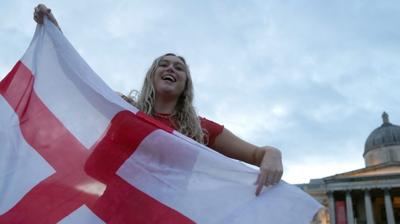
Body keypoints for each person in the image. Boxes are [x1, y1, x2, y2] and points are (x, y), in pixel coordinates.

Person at [33, 4, 283, 196]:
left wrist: (272, 153)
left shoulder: (200, 129)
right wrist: (56, 35)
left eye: (179, 67)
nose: (171, 68)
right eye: (163, 65)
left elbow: (257, 154)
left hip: (168, 214)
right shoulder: (125, 110)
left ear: (186, 84)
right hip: (116, 210)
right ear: (152, 76)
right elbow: (79, 82)